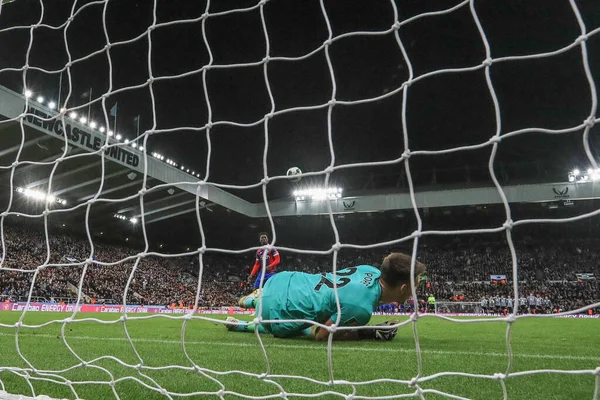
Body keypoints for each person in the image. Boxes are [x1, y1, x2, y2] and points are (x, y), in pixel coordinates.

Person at [226, 252, 426, 341]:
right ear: (402, 288)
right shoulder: (362, 309)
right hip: (279, 313)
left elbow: (351, 294)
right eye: (414, 286)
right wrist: (368, 332)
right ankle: (252, 313)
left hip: (283, 278)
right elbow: (320, 336)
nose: (414, 292)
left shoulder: (369, 270)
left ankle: (254, 301)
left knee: (315, 310)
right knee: (302, 332)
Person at [238, 232, 280, 308]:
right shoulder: (258, 251)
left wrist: (271, 265)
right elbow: (257, 264)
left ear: (267, 239)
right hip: (262, 273)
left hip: (271, 273)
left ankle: (273, 306)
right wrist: (251, 275)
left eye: (265, 237)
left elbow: (277, 260)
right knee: (256, 288)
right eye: (262, 238)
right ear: (260, 240)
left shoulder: (271, 248)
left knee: (272, 289)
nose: (263, 239)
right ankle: (257, 307)